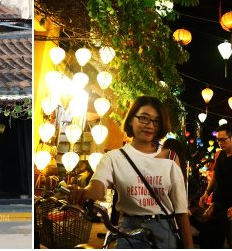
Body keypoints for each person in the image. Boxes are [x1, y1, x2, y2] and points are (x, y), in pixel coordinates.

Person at [69, 96, 193, 248]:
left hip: (163, 231)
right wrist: (83, 192)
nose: (150, 125)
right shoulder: (113, 157)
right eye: (144, 118)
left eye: (156, 121)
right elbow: (97, 188)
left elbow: (181, 211)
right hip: (129, 229)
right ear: (130, 120)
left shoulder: (170, 158)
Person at [199, 124, 232, 249]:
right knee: (215, 240)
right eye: (218, 140)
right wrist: (207, 192)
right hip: (217, 206)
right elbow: (215, 176)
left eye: (223, 139)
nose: (220, 143)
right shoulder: (220, 155)